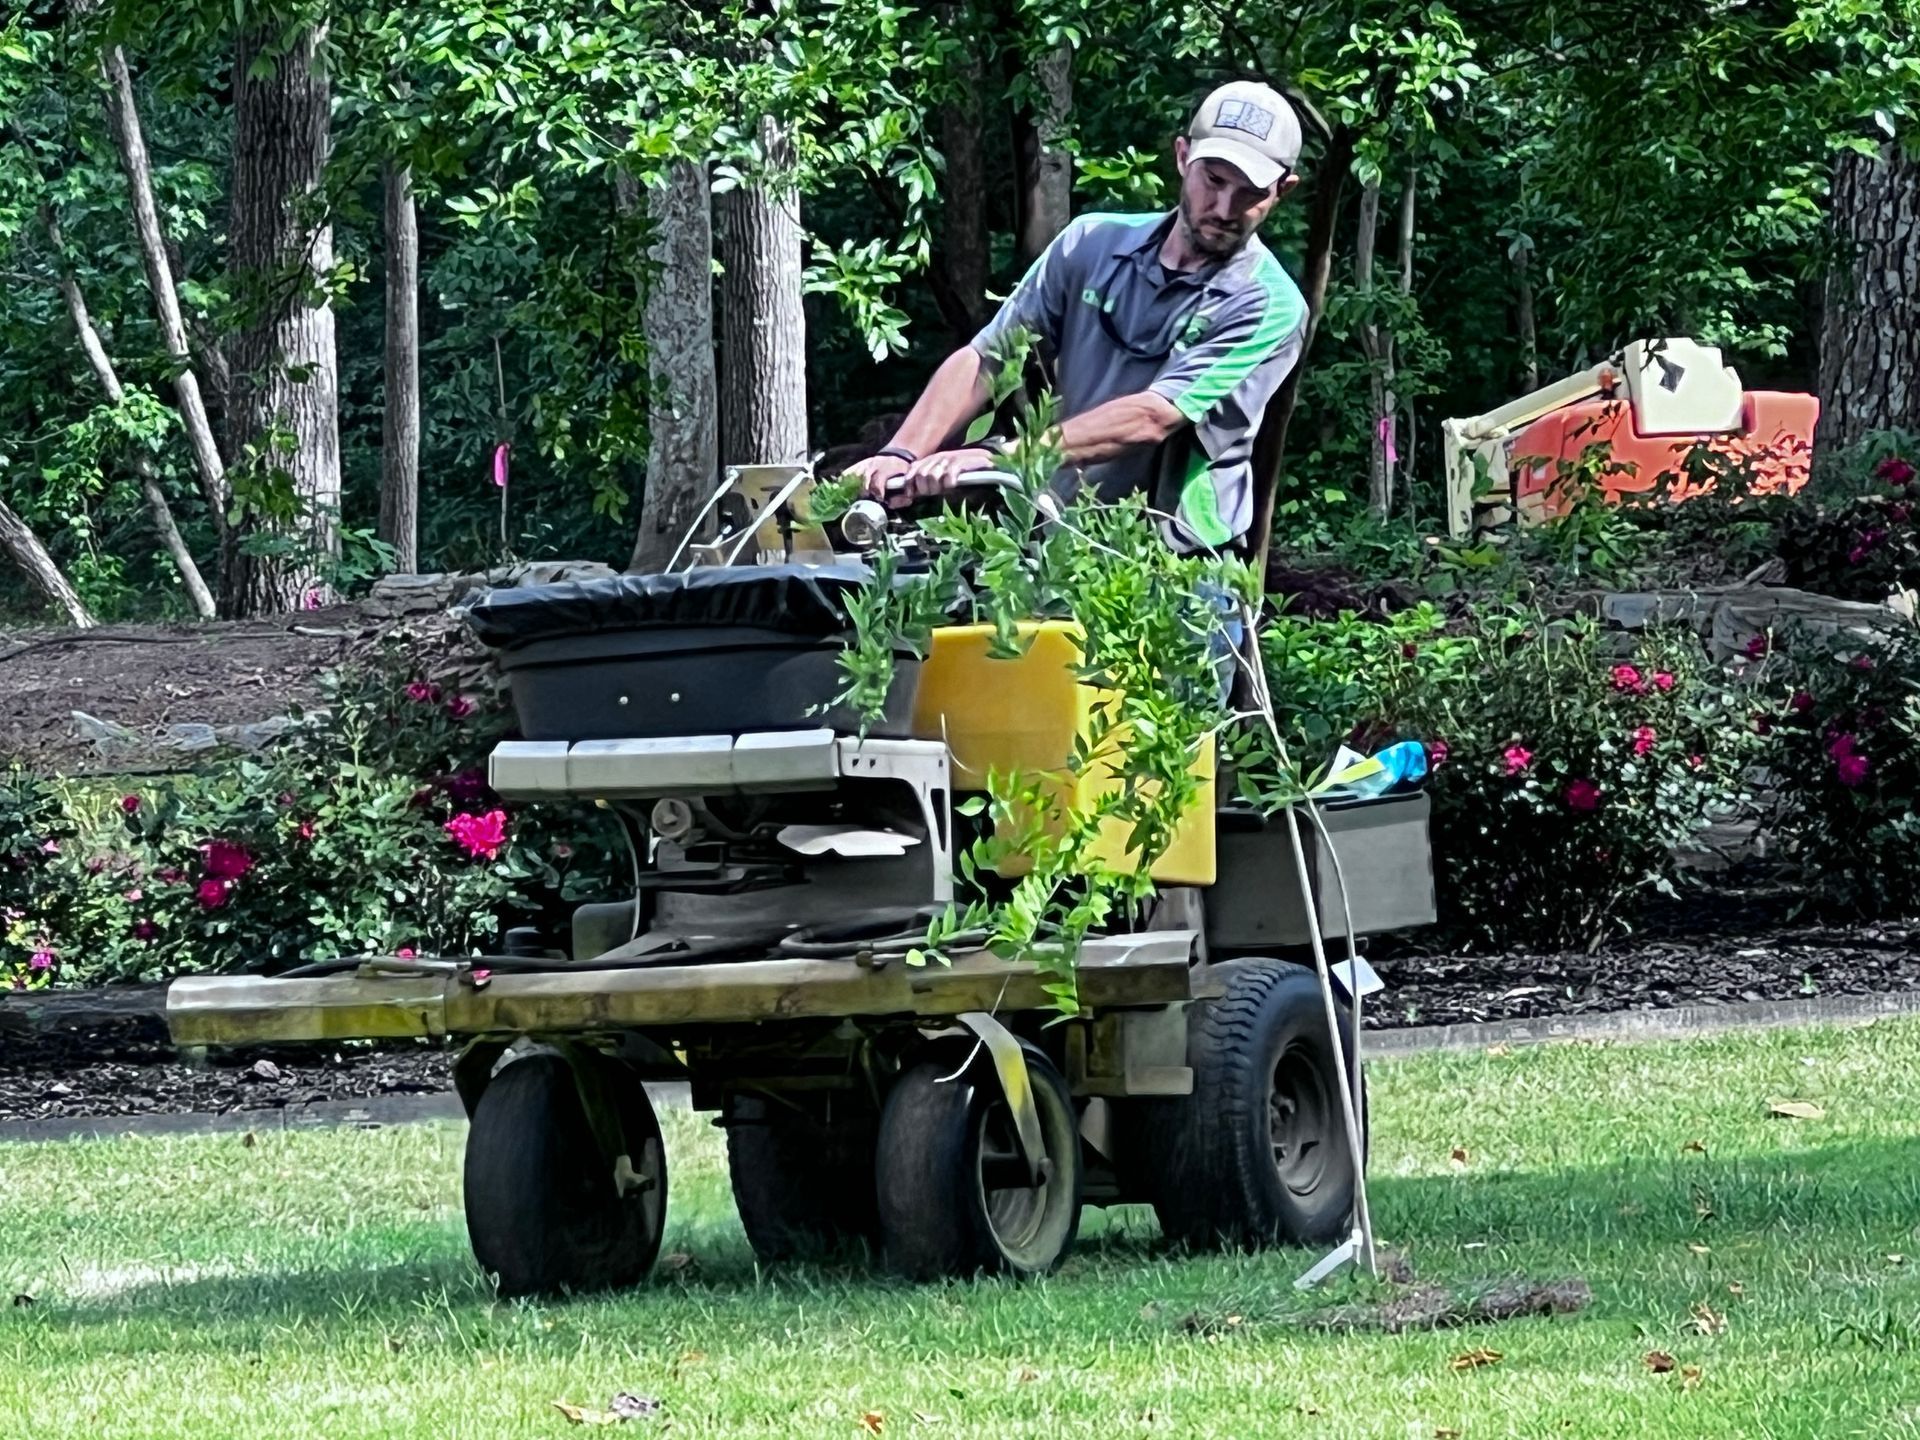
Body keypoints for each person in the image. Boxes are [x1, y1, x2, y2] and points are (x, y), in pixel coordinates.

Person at [846, 79, 1309, 558]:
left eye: (1249, 192)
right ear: (1181, 157)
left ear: (1283, 190)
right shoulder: (1090, 244)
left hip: (1182, 565)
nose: (1225, 208)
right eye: (1213, 180)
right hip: (1065, 544)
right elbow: (988, 357)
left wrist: (998, 455)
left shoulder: (1267, 302)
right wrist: (898, 455)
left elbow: (1152, 416)